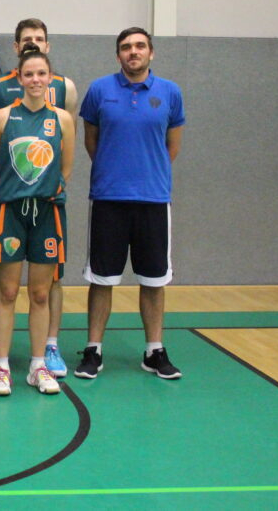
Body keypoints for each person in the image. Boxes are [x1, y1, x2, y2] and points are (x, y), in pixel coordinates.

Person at [74, 27, 185, 380]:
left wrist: (147, 173)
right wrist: (115, 170)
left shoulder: (170, 92)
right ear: (118, 54)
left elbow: (172, 146)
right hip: (108, 198)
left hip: (154, 199)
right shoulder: (99, 90)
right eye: (126, 47)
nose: (133, 52)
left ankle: (154, 351)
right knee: (101, 278)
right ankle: (94, 350)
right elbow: (91, 141)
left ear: (151, 52)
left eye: (139, 46)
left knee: (154, 280)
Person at [0, 18, 78, 378]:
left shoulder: (62, 119)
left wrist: (40, 190)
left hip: (47, 212)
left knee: (40, 293)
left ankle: (39, 364)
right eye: (29, 74)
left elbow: (65, 168)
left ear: (50, 78)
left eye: (41, 74)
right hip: (9, 211)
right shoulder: (2, 116)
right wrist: (15, 191)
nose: (35, 79)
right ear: (19, 78)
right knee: (6, 291)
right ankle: (1, 365)